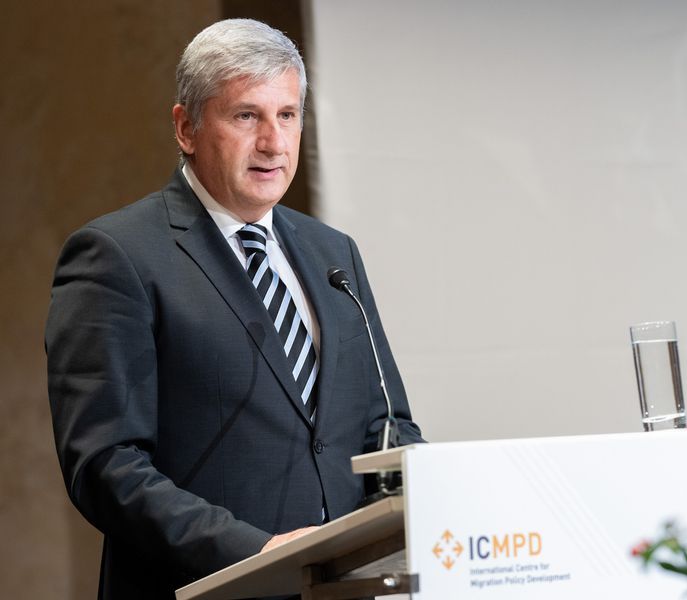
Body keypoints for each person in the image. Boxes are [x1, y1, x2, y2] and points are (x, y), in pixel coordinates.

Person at [45, 18, 423, 599]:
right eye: (247, 116)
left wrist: (439, 500)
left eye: (288, 115)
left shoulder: (333, 252)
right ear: (186, 127)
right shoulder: (117, 256)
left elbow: (386, 424)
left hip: (346, 586)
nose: (274, 142)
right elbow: (106, 465)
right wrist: (255, 552)